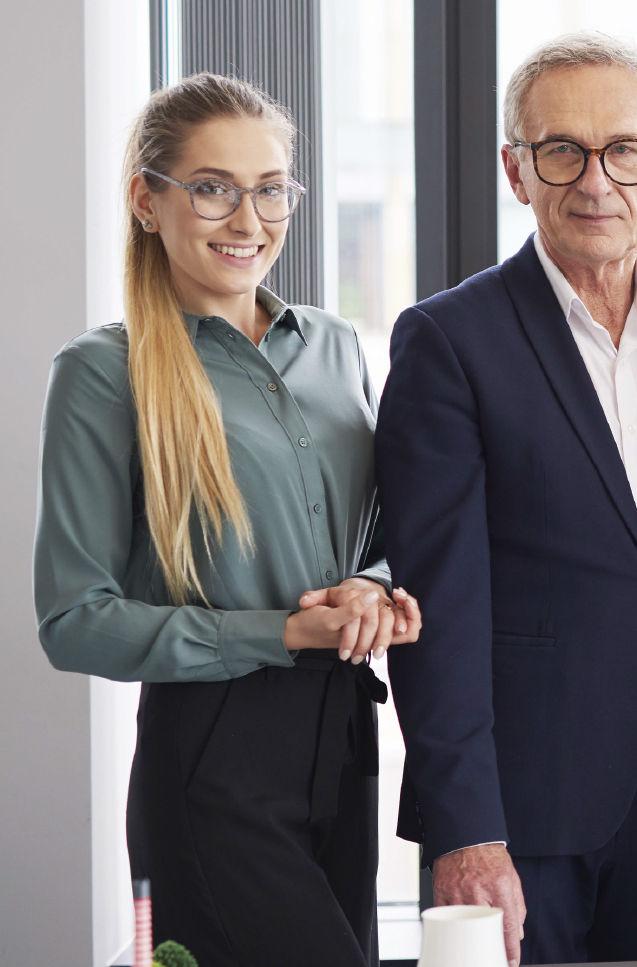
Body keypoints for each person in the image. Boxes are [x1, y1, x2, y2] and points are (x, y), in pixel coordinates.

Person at [35, 73, 421, 967]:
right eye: (212, 187)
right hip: (212, 755)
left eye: (270, 188)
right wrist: (283, 629)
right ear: (147, 199)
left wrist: (373, 586)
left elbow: (385, 534)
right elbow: (73, 621)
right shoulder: (102, 373)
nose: (247, 220)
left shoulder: (333, 345)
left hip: (348, 733)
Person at [378, 33, 637, 965]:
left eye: (623, 150)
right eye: (559, 151)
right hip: (520, 804)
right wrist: (466, 828)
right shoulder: (448, 341)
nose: (594, 181)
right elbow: (437, 606)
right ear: (515, 169)